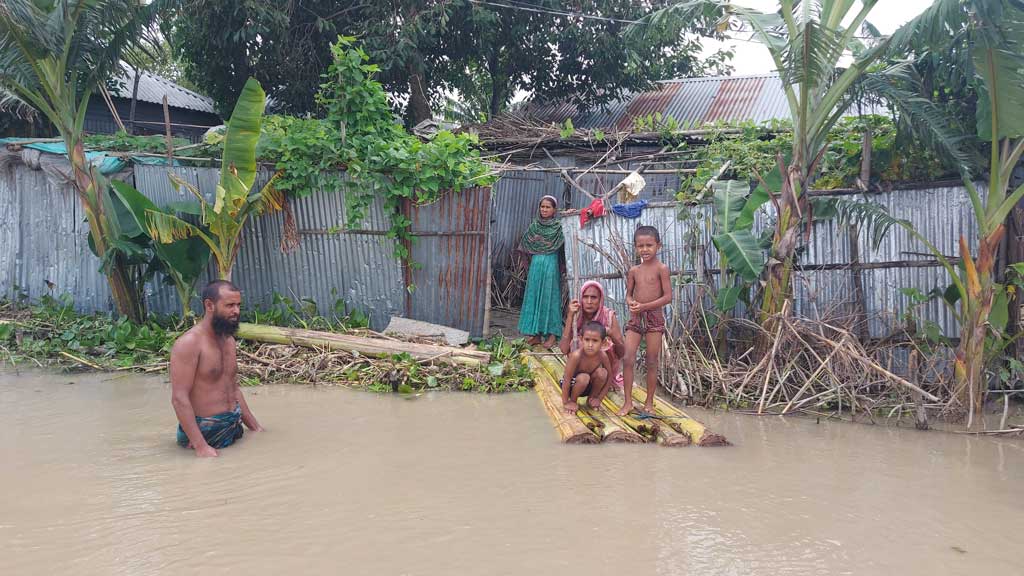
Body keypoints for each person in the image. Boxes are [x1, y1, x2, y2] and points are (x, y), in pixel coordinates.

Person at [170, 280, 263, 457]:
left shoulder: (229, 341)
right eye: (229, 305)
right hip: (205, 433)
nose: (236, 311)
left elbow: (233, 388)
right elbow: (179, 398)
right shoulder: (189, 343)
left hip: (233, 427)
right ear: (209, 305)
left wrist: (255, 427)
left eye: (238, 305)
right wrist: (201, 447)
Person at [617, 226, 672, 416]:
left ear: (658, 245)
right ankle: (628, 402)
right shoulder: (633, 271)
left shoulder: (662, 269)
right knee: (627, 358)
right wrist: (632, 303)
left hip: (654, 318)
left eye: (649, 245)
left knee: (651, 360)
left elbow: (668, 297)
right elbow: (628, 295)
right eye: (640, 246)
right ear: (635, 247)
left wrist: (645, 307)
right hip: (635, 318)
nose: (645, 249)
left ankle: (649, 402)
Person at [517, 195, 564, 349]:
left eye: (548, 207)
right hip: (536, 266)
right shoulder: (534, 226)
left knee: (549, 298)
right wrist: (530, 264)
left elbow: (565, 248)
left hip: (551, 265)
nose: (544, 209)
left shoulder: (559, 227)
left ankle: (552, 335)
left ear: (554, 210)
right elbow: (524, 245)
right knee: (534, 297)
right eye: (542, 206)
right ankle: (535, 334)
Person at [560, 280, 625, 390]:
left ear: (600, 299)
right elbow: (564, 349)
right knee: (580, 343)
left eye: (593, 297)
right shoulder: (576, 316)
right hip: (580, 374)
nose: (589, 301)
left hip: (602, 374)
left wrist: (611, 334)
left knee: (605, 344)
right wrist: (570, 317)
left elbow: (621, 353)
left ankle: (606, 382)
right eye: (585, 297)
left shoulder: (608, 316)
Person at [561, 321, 613, 414]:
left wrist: (599, 398)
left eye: (595, 341)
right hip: (571, 386)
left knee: (602, 373)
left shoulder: (602, 355)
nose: (590, 345)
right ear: (581, 339)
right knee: (584, 377)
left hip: (587, 386)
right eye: (587, 340)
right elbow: (566, 379)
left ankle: (592, 398)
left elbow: (609, 377)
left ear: (603, 342)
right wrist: (566, 402)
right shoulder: (576, 355)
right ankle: (573, 401)